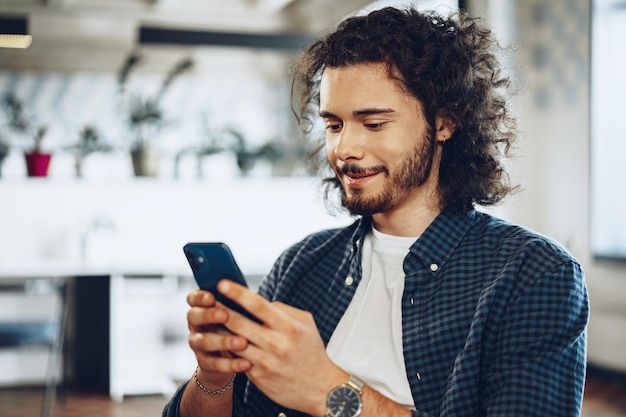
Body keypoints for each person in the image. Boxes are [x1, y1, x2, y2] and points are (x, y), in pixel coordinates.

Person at [162, 5, 588, 417]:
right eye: (334, 124)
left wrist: (329, 390)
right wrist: (214, 376)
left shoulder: (534, 276)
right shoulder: (301, 265)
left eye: (374, 123)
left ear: (444, 122)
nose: (345, 148)